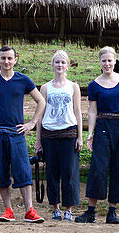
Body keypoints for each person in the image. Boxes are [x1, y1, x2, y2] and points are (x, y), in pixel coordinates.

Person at [0, 46, 47, 223]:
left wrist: (32, 123)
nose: (6, 62)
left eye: (10, 58)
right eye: (3, 58)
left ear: (15, 60)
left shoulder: (23, 80)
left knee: (23, 171)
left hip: (17, 133)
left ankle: (30, 211)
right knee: (1, 172)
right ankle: (8, 210)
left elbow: (41, 100)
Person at [77, 46, 119, 224]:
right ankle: (91, 210)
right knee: (98, 168)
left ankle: (112, 211)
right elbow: (92, 112)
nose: (107, 64)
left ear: (115, 61)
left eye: (110, 60)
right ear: (100, 62)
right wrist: (90, 134)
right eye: (104, 61)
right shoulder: (94, 85)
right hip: (103, 126)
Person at [34, 50, 83, 221]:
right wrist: (38, 140)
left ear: (68, 65)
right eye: (57, 62)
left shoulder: (73, 87)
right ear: (52, 65)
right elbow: (40, 115)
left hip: (69, 133)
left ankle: (68, 209)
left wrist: (80, 137)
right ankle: (55, 207)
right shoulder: (45, 88)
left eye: (63, 62)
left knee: (69, 172)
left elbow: (78, 112)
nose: (60, 65)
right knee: (52, 172)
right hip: (49, 135)